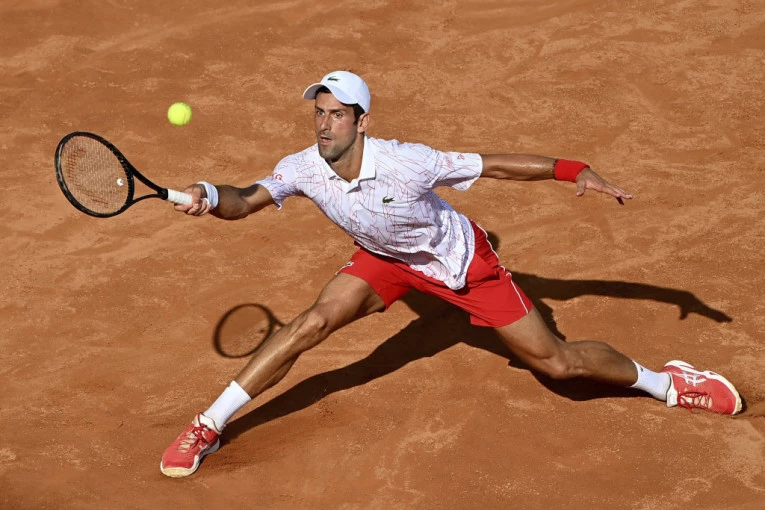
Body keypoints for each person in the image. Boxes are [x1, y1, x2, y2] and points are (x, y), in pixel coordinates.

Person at [159, 71, 742, 478]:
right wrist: (206, 194)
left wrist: (573, 170)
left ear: (362, 121)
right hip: (385, 260)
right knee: (312, 323)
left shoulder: (408, 162)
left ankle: (668, 383)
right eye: (319, 112)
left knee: (558, 365)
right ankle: (208, 425)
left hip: (462, 266)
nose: (324, 125)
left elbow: (494, 165)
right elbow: (245, 199)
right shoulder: (303, 168)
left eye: (337, 115)